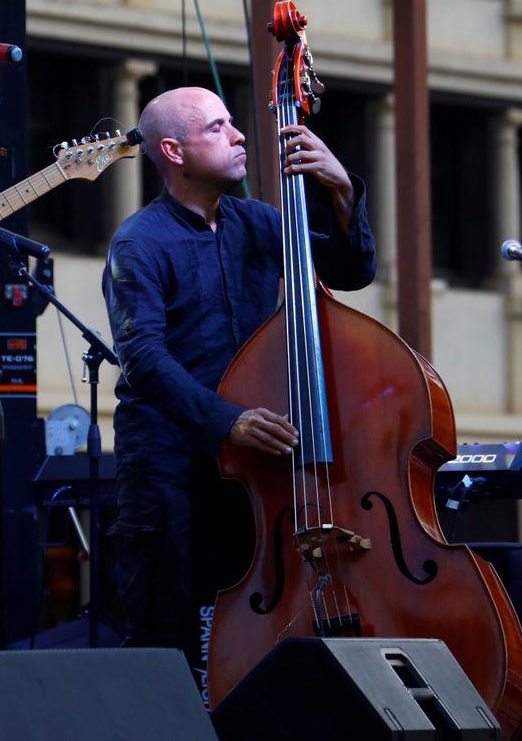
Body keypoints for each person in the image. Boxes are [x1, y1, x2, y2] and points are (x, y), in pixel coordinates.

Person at [101, 85, 377, 687]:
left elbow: (351, 272)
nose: (240, 135)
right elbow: (143, 357)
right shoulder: (138, 242)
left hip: (253, 460)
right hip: (169, 463)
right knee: (165, 632)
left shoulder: (258, 222)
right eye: (219, 127)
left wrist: (341, 189)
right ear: (173, 151)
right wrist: (227, 419)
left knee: (253, 615)